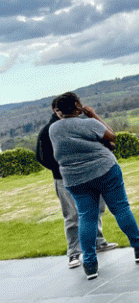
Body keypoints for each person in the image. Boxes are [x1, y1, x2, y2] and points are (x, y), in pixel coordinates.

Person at [48, 92, 139, 280]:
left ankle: (90, 264)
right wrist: (94, 115)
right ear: (77, 105)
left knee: (86, 217)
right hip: (105, 169)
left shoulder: (54, 129)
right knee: (120, 208)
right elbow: (111, 135)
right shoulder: (89, 123)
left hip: (74, 178)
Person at [36, 96, 118, 269]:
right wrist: (62, 168)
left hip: (86, 174)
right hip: (63, 177)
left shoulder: (76, 125)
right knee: (73, 216)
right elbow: (42, 157)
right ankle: (74, 252)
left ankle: (98, 241)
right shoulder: (48, 130)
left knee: (94, 210)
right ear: (55, 111)